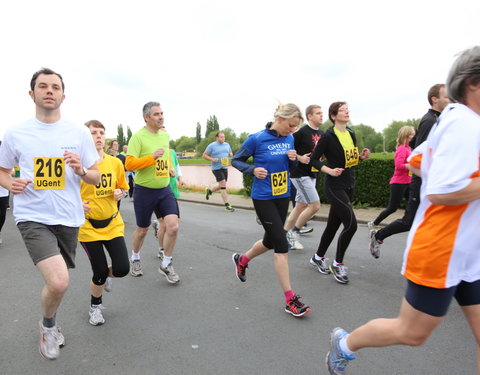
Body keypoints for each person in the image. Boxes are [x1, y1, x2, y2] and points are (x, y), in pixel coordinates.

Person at [325, 45, 480, 375]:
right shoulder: (465, 124)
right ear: (472, 83)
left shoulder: (455, 121)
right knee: (411, 333)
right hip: (441, 250)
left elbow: (416, 160)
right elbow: (439, 191)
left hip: (470, 251)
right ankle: (345, 344)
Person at [0, 68, 99, 360]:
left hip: (68, 217)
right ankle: (48, 326)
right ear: (32, 94)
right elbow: (2, 170)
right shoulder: (17, 133)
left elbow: (93, 176)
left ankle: (50, 319)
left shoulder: (79, 132)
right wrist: (10, 183)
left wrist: (81, 169)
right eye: (42, 86)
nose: (49, 90)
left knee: (58, 279)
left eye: (55, 87)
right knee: (58, 282)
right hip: (32, 216)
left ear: (63, 96)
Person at [231, 103, 312, 317]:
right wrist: (252, 169)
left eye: (295, 127)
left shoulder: (289, 139)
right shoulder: (256, 139)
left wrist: (293, 161)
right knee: (281, 244)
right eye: (291, 125)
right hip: (263, 197)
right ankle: (290, 300)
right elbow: (236, 160)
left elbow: (290, 169)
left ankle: (242, 259)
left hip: (282, 194)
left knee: (270, 241)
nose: (292, 130)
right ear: (280, 118)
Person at [369, 84, 450, 258]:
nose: (449, 98)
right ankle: (379, 235)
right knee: (409, 220)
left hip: (430, 179)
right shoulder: (430, 120)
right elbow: (422, 152)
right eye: (445, 95)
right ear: (435, 99)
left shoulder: (440, 118)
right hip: (422, 180)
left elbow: (418, 146)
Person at [309, 102, 370, 284]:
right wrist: (328, 170)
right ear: (334, 115)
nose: (347, 112)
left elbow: (348, 161)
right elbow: (313, 160)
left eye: (347, 109)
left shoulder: (350, 133)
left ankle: (318, 257)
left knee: (333, 225)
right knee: (351, 225)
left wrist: (360, 157)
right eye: (343, 110)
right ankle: (338, 263)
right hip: (334, 186)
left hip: (349, 183)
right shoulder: (328, 136)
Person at [79, 120, 130, 326]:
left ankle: (106, 276)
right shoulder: (78, 165)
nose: (98, 136)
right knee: (98, 272)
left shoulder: (115, 163)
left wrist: (121, 192)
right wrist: (76, 205)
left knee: (122, 269)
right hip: (88, 226)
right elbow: (64, 193)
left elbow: (123, 188)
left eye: (101, 133)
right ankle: (95, 306)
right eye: (93, 133)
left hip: (112, 224)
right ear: (85, 137)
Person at [125, 101, 180, 284]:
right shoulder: (138, 137)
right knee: (142, 230)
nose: (161, 116)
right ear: (146, 117)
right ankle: (135, 257)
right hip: (144, 190)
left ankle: (166, 263)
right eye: (156, 114)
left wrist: (170, 168)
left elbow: (164, 157)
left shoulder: (164, 136)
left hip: (164, 189)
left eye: (162, 113)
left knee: (173, 226)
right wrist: (151, 158)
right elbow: (129, 164)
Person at [284, 104, 324, 250]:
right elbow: (286, 147)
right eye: (318, 113)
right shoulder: (301, 132)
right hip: (300, 174)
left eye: (322, 113)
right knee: (315, 206)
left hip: (312, 173)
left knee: (300, 206)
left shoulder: (322, 133)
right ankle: (294, 233)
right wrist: (299, 158)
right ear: (310, 116)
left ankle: (284, 234)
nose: (321, 115)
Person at [366, 126, 416, 245]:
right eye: (411, 135)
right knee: (392, 207)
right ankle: (374, 223)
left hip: (408, 182)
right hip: (398, 182)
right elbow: (398, 165)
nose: (413, 137)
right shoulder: (402, 149)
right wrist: (410, 166)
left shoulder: (409, 148)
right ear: (406, 135)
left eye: (414, 134)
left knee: (414, 206)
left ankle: (411, 224)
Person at [151, 125, 185, 258]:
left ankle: (159, 230)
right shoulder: (152, 152)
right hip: (157, 192)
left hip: (171, 191)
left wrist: (180, 178)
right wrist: (166, 171)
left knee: (175, 223)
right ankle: (161, 249)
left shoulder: (171, 152)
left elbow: (177, 167)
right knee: (164, 224)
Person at [203, 131, 235, 212]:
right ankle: (227, 205)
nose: (223, 138)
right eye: (221, 137)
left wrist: (231, 154)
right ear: (217, 137)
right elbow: (204, 155)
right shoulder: (212, 145)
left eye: (223, 137)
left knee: (222, 184)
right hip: (216, 168)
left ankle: (209, 191)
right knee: (223, 185)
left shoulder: (227, 145)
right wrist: (212, 159)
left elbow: (230, 152)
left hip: (225, 167)